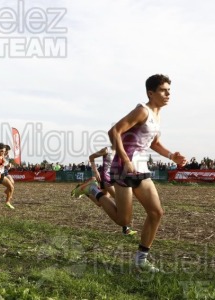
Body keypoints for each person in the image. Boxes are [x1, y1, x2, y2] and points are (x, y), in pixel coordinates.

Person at [72, 74, 187, 272]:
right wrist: (125, 160)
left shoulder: (157, 116)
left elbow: (155, 143)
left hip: (141, 168)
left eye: (169, 90)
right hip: (123, 168)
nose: (168, 93)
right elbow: (114, 131)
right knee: (123, 220)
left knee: (156, 212)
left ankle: (141, 259)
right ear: (151, 93)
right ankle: (93, 189)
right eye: (163, 90)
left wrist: (171, 156)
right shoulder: (142, 111)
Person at [72, 146, 137, 236]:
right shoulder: (107, 150)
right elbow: (91, 157)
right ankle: (126, 229)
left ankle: (85, 190)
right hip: (106, 178)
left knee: (100, 203)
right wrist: (95, 171)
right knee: (119, 200)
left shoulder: (122, 152)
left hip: (114, 179)